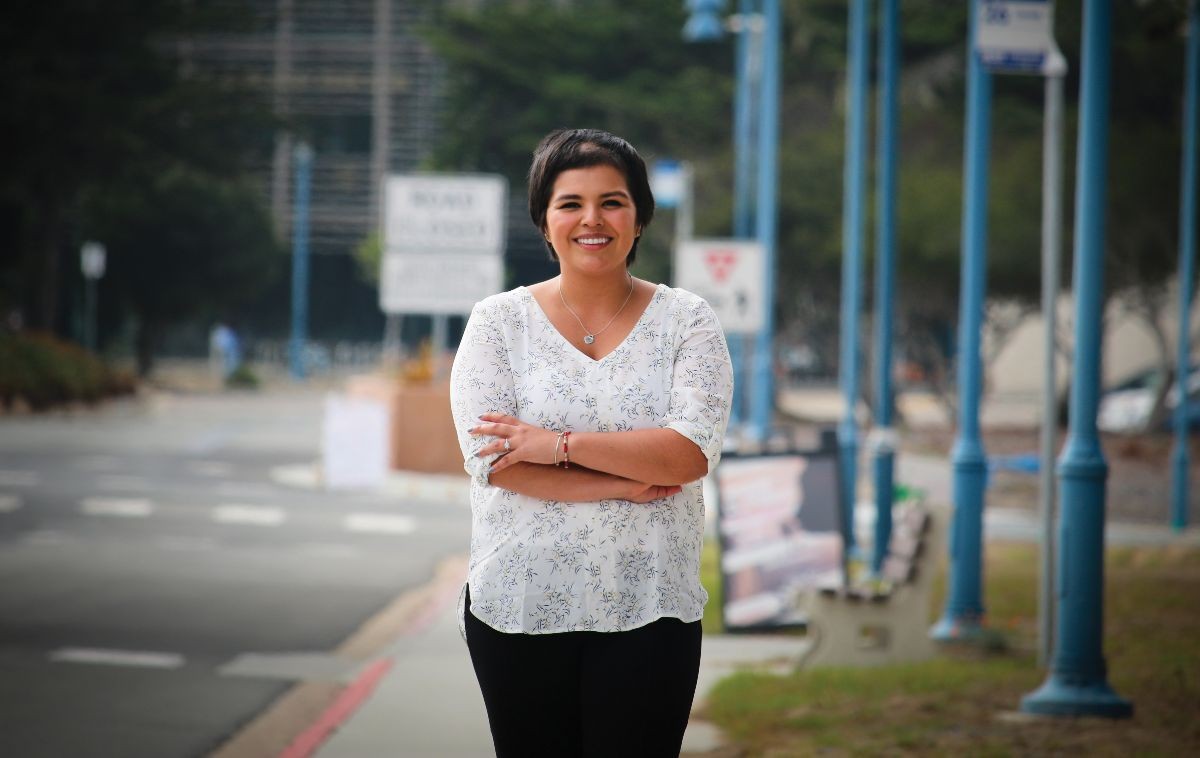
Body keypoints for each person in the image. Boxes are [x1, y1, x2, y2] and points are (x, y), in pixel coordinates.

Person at [449, 128, 733, 758]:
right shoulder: (498, 323)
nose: (592, 220)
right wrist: (627, 479)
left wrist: (554, 445)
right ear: (545, 222)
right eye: (570, 203)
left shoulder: (688, 321)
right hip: (520, 600)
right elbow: (492, 463)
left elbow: (688, 453)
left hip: (652, 601)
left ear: (639, 219)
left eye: (613, 201)